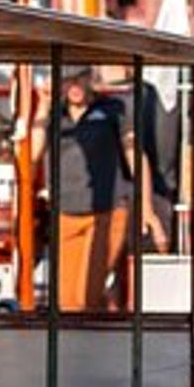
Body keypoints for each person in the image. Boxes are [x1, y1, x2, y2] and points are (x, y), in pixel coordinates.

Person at [32, 67, 134, 311]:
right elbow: (32, 156)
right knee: (66, 302)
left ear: (90, 78)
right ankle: (91, 338)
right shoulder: (54, 115)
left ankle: (100, 327)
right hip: (65, 211)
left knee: (87, 293)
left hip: (107, 211)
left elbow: (133, 152)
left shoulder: (112, 110)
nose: (75, 86)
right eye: (68, 80)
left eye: (80, 78)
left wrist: (146, 204)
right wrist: (43, 107)